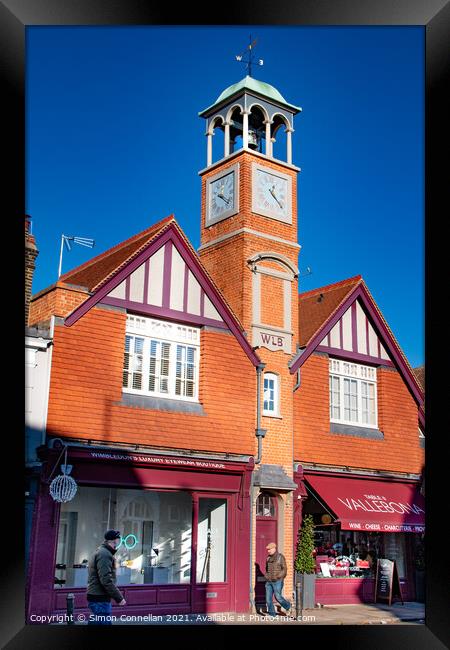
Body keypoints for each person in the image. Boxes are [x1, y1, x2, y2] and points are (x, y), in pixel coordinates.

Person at [86, 529, 126, 625]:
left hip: (97, 597)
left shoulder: (102, 551)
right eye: (118, 539)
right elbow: (106, 580)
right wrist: (119, 598)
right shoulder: (104, 554)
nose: (118, 541)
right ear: (115, 540)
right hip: (100, 598)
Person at [264, 542, 291, 617]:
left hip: (277, 581)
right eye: (268, 550)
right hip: (269, 581)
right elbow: (266, 569)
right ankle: (272, 614)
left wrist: (278, 577)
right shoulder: (268, 558)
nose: (268, 551)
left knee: (278, 597)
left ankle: (288, 606)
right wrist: (266, 576)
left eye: (269, 549)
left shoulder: (280, 557)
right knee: (268, 599)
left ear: (274, 548)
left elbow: (284, 569)